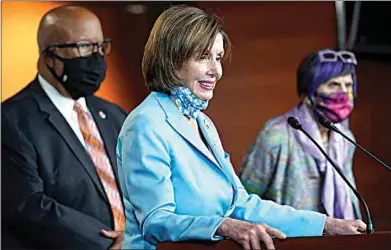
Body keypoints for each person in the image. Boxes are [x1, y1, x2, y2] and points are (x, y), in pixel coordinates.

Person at [117, 6, 366, 250]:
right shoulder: (146, 124)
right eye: (204, 57)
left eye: (218, 57)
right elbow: (155, 221)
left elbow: (242, 205)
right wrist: (224, 226)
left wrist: (326, 224)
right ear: (171, 59)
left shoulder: (203, 122)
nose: (216, 71)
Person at [2, 5, 127, 249]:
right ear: (50, 57)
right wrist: (111, 242)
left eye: (101, 47)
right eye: (84, 47)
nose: (96, 57)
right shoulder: (11, 120)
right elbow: (26, 205)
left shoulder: (114, 115)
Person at [240, 49, 361, 221]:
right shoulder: (276, 136)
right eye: (333, 85)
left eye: (348, 85)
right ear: (308, 92)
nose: (343, 93)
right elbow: (244, 199)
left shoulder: (345, 139)